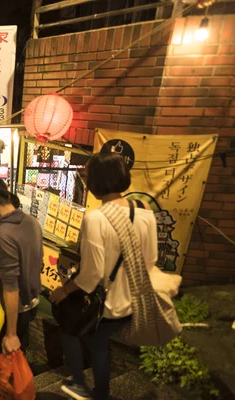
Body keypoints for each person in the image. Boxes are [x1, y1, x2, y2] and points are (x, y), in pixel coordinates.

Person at [49, 152, 157, 400]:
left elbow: (92, 274)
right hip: (135, 299)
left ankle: (79, 383)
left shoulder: (96, 217)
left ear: (96, 181)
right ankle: (101, 393)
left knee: (69, 327)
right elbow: (150, 259)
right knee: (99, 343)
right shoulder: (144, 210)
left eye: (88, 176)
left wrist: (63, 291)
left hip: (108, 303)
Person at [0, 178, 42, 365]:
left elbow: (10, 286)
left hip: (9, 310)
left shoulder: (1, 233)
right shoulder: (31, 222)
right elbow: (34, 260)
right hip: (31, 303)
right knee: (19, 355)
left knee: (1, 363)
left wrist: (10, 333)